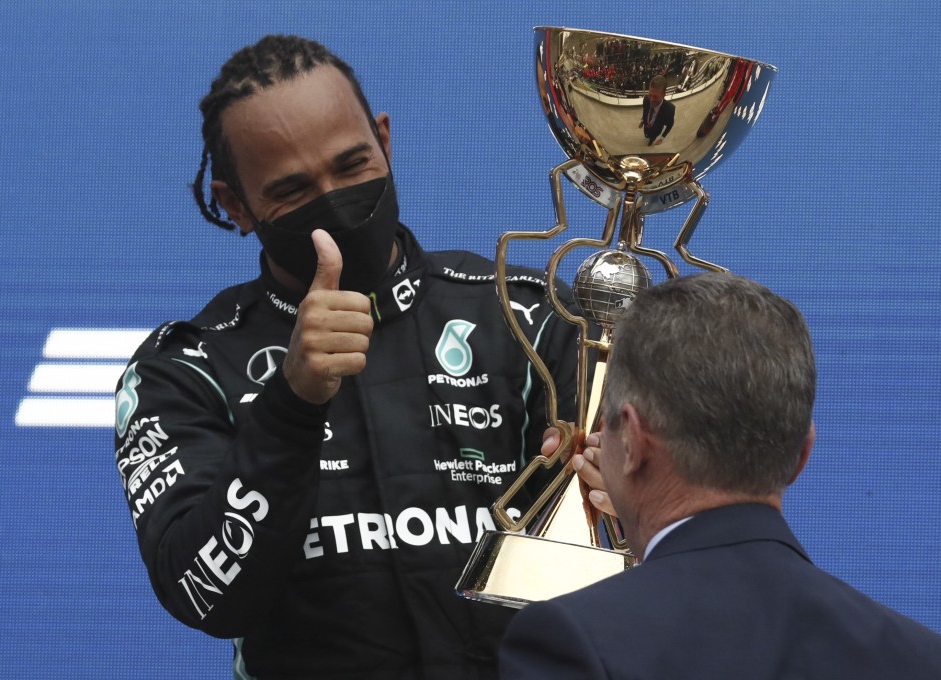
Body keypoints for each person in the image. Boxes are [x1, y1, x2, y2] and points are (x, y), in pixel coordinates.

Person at [113, 34, 579, 679]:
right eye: (293, 189)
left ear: (385, 142)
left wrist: (615, 488)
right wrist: (291, 403)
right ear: (234, 205)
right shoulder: (187, 367)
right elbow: (204, 593)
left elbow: (624, 555)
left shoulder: (526, 316)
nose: (333, 200)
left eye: (353, 165)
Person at [499, 272, 941, 679]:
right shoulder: (919, 655)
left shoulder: (576, 641)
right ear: (803, 455)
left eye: (607, 428)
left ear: (632, 441)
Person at [639, 74, 674, 146]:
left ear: (664, 94)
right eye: (650, 95)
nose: (651, 100)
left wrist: (662, 138)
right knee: (646, 135)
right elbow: (645, 111)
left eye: (655, 97)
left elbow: (670, 125)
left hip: (656, 132)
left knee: (651, 140)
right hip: (646, 126)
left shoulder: (669, 109)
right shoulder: (646, 99)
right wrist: (643, 120)